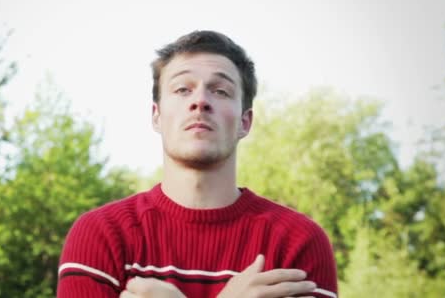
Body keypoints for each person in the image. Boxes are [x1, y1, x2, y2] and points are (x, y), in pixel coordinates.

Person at [57, 30, 338, 298]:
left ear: (245, 121)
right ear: (156, 116)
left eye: (221, 91)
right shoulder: (101, 235)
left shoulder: (298, 242)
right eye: (182, 89)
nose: (201, 101)